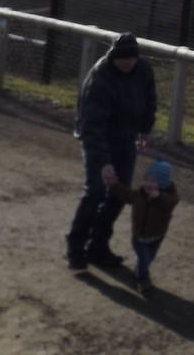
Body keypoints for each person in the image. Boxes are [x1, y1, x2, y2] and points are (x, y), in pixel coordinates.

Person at [67, 32, 157, 271]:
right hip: (98, 138)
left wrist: (144, 130)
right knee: (95, 190)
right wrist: (103, 163)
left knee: (119, 193)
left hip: (126, 138)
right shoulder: (100, 79)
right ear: (112, 57)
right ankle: (75, 249)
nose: (127, 63)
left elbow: (149, 100)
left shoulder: (143, 70)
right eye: (122, 59)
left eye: (131, 58)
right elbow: (92, 126)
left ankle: (98, 247)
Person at [110, 158, 179, 298]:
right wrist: (113, 185)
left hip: (157, 236)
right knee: (144, 259)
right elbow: (126, 194)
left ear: (163, 184)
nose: (148, 184)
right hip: (139, 237)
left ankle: (141, 271)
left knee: (149, 258)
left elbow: (169, 203)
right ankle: (142, 279)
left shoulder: (169, 198)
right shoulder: (138, 195)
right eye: (146, 179)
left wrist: (158, 197)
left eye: (153, 181)